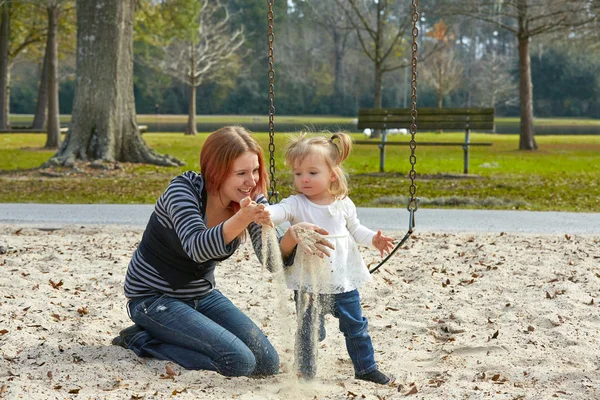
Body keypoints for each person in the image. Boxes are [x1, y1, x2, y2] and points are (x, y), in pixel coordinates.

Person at [111, 126, 333, 377]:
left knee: (266, 363)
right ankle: (141, 339)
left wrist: (291, 236)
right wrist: (241, 218)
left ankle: (177, 332)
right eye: (241, 173)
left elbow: (271, 260)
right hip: (154, 299)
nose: (251, 181)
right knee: (237, 362)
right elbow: (196, 247)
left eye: (255, 170)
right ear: (216, 173)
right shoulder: (183, 191)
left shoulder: (251, 198)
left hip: (202, 295)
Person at [266, 132, 396, 385]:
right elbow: (277, 212)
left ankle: (366, 368)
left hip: (343, 281)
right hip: (309, 282)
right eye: (298, 173)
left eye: (312, 173)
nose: (304, 179)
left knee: (355, 326)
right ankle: (305, 373)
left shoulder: (343, 204)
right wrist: (263, 211)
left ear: (332, 174)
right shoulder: (296, 203)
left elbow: (356, 230)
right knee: (309, 333)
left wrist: (374, 240)